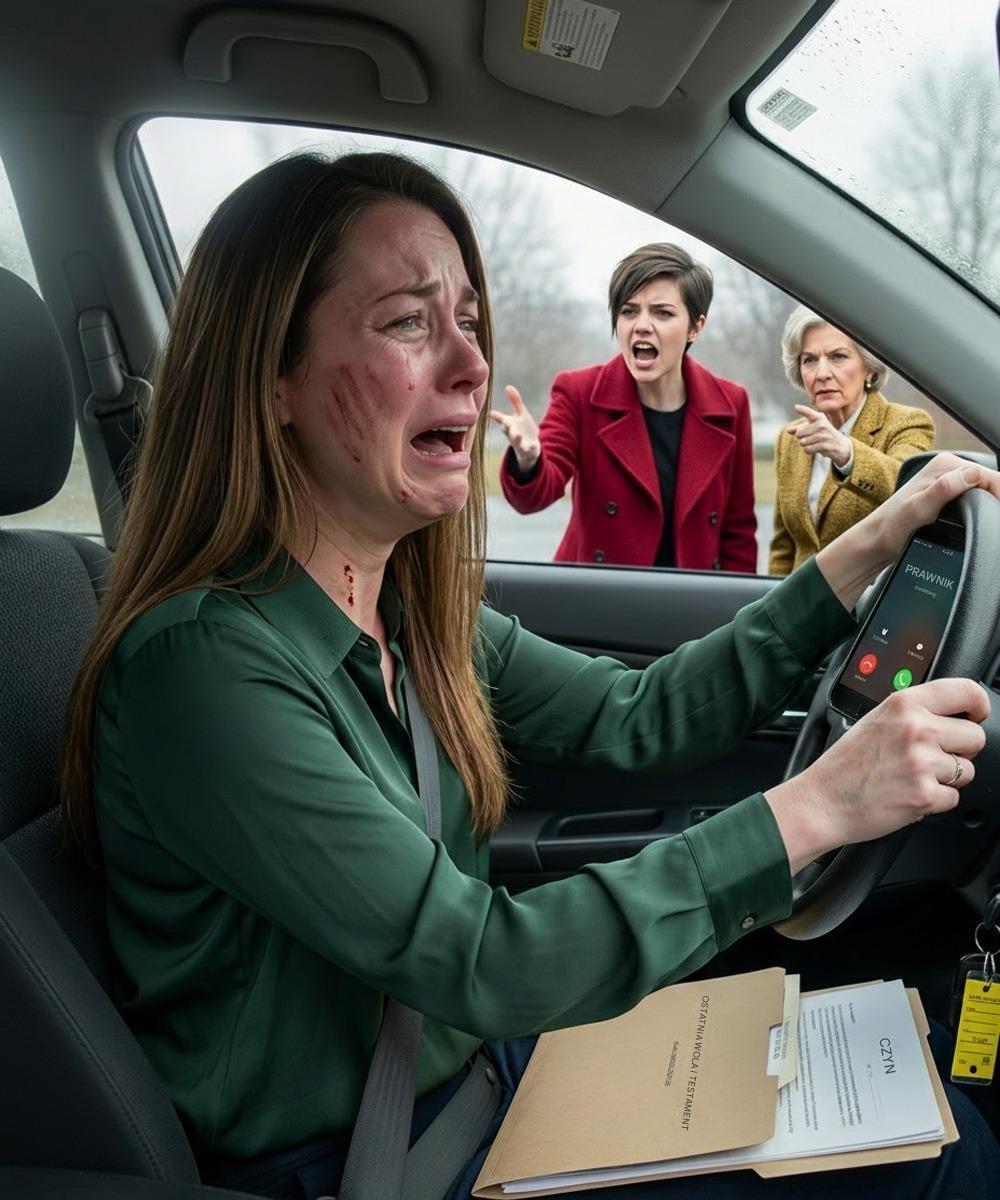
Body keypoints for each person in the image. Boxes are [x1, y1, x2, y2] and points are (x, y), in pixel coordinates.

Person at [59, 152, 1000, 1200]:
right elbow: (483, 961)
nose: (471, 363)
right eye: (408, 322)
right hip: (370, 1158)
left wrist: (865, 548)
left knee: (915, 1084)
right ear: (269, 379)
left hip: (481, 1074)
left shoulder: (417, 616)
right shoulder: (201, 670)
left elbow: (640, 715)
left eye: (468, 319)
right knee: (944, 1160)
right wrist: (819, 806)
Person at [492, 243, 757, 571]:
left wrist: (734, 601)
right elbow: (536, 494)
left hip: (693, 595)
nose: (641, 325)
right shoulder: (579, 391)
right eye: (629, 311)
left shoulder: (731, 403)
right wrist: (528, 460)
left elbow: (738, 531)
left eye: (662, 313)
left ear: (696, 327)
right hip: (600, 593)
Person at [769, 306, 935, 576]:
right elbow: (783, 546)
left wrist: (846, 453)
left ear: (869, 368)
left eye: (838, 357)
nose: (821, 373)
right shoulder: (790, 437)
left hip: (869, 598)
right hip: (801, 600)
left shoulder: (907, 423)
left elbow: (911, 489)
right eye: (809, 360)